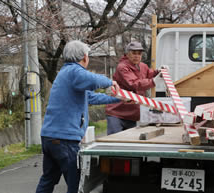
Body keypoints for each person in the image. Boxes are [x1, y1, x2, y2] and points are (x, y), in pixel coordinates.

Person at [35, 40, 121, 193]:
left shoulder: (65, 74)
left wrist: (118, 98)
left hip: (49, 137)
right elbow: (93, 80)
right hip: (64, 140)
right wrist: (110, 82)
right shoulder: (74, 72)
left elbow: (92, 98)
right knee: (75, 184)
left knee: (48, 180)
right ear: (84, 57)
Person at [105, 41, 161, 135]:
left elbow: (149, 74)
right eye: (133, 53)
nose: (137, 56)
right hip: (117, 112)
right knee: (114, 141)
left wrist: (158, 72)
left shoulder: (143, 66)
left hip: (132, 113)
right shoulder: (122, 67)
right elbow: (134, 83)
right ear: (127, 54)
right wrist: (153, 82)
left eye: (139, 53)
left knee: (130, 141)